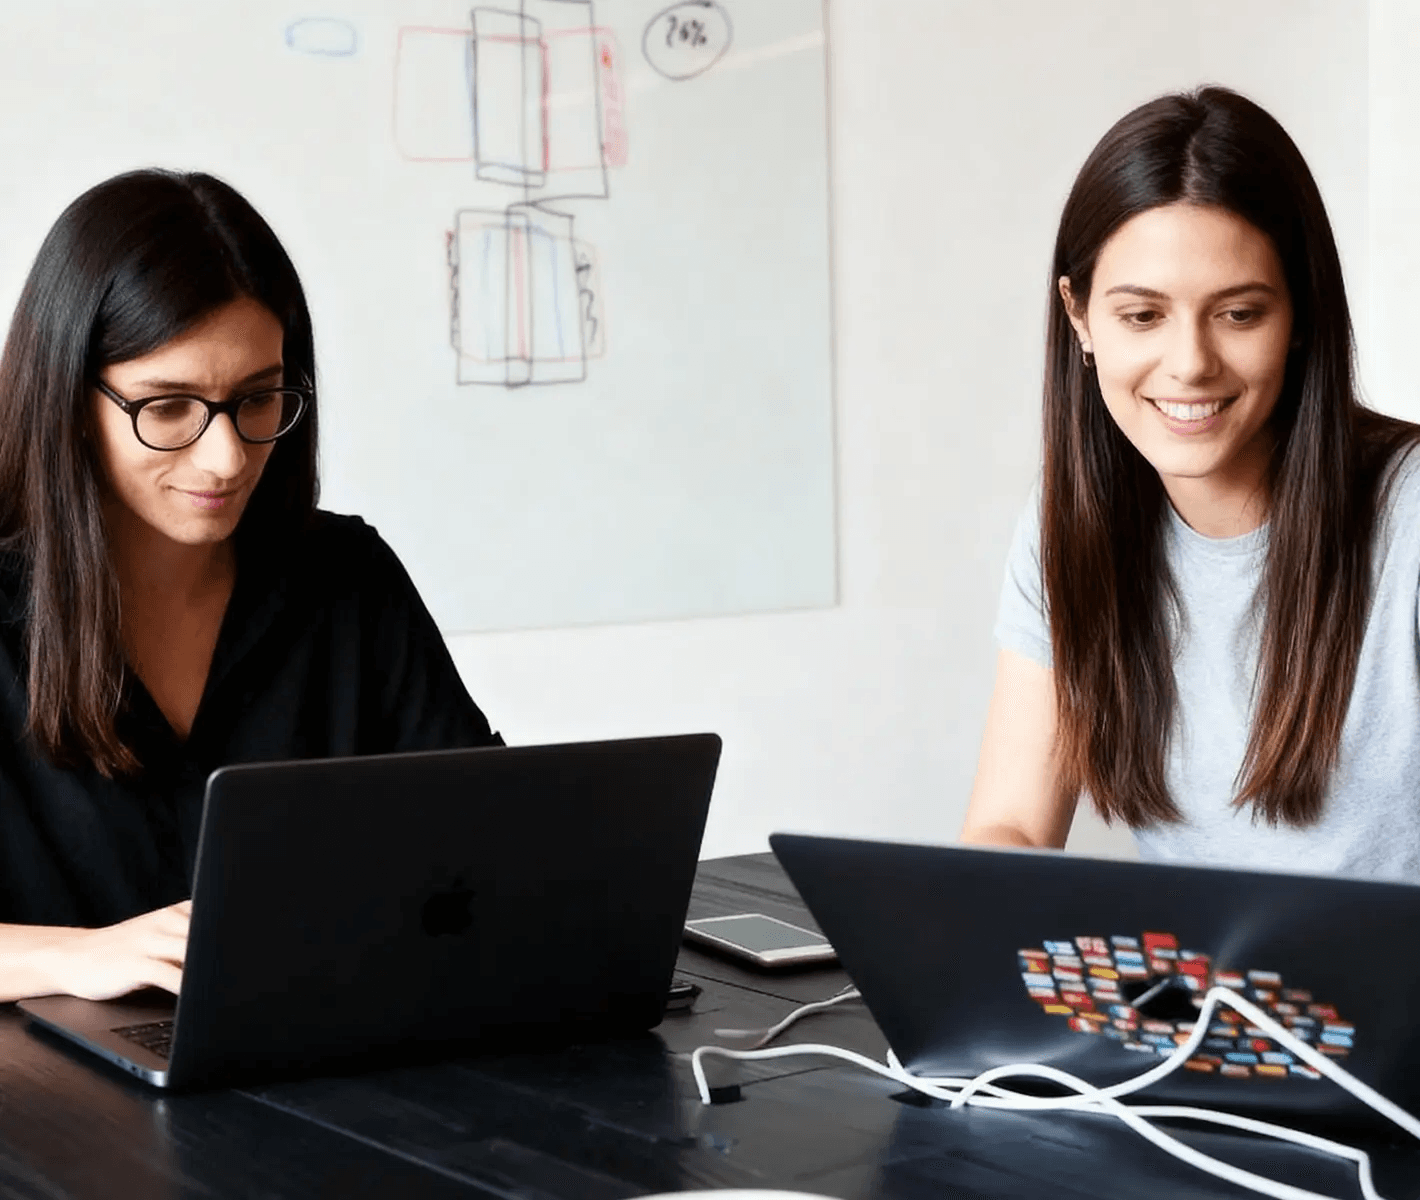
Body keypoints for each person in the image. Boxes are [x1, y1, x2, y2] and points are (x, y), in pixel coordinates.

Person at [0, 170, 502, 1002]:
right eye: (167, 408)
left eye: (257, 399)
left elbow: (490, 839)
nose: (227, 459)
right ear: (66, 399)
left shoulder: (345, 581)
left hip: (313, 1054)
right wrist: (72, 958)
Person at [959, 86, 1420, 881]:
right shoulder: (1070, 520)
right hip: (1184, 1003)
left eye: (1239, 314)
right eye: (1142, 316)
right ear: (1079, 317)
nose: (1190, 364)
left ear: (1302, 314)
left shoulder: (1407, 514)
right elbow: (1013, 826)